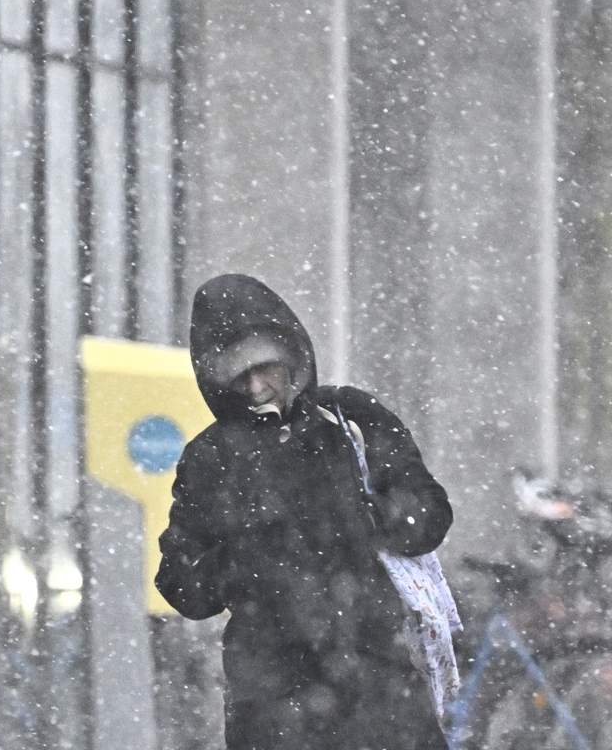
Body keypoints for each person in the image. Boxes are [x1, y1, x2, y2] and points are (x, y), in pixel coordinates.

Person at [155, 273, 453, 750]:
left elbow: (430, 514)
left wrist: (371, 516)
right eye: (237, 376)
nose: (255, 388)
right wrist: (243, 561)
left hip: (379, 686)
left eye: (264, 368)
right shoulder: (209, 459)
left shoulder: (350, 417)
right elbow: (182, 585)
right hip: (274, 706)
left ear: (292, 355)